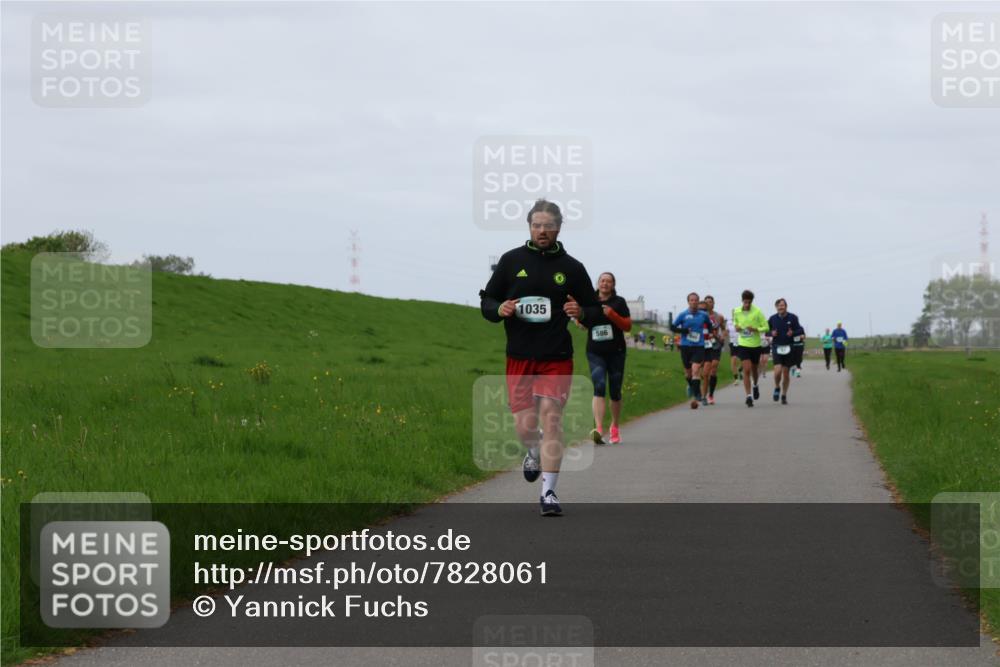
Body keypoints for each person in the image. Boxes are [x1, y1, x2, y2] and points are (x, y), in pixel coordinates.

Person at [479, 199, 600, 516]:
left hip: (556, 355)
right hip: (519, 356)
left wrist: (582, 311)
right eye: (536, 225)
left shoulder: (572, 268)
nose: (542, 230)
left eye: (548, 225)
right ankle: (533, 450)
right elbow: (488, 300)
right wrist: (499, 308)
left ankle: (549, 493)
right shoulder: (510, 261)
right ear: (529, 227)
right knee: (525, 426)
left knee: (551, 415)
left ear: (558, 228)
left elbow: (595, 310)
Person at [584, 272, 631, 445]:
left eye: (609, 281)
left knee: (615, 391)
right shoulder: (590, 300)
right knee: (599, 386)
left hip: (616, 351)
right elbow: (583, 322)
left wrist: (612, 314)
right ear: (598, 283)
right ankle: (599, 428)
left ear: (613, 284)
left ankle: (615, 426)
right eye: (602, 280)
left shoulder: (619, 302)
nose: (605, 283)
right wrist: (579, 319)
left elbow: (627, 326)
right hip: (595, 351)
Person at [669, 292, 715, 409]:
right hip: (685, 346)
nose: (694, 302)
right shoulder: (683, 315)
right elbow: (672, 327)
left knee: (695, 370)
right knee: (688, 374)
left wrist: (709, 334)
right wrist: (684, 331)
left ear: (698, 302)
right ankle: (692, 387)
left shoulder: (703, 315)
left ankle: (698, 394)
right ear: (688, 302)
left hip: (699, 346)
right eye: (691, 300)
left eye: (696, 300)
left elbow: (710, 325)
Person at [731, 289, 769, 407]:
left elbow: (766, 327)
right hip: (743, 344)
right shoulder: (736, 311)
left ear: (752, 301)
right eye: (745, 302)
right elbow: (735, 322)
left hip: (755, 345)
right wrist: (736, 327)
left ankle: (755, 385)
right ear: (742, 301)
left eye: (749, 302)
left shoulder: (757, 312)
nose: (747, 304)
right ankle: (748, 396)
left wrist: (756, 329)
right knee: (746, 369)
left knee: (754, 370)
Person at [768, 298, 802, 405]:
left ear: (786, 306)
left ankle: (784, 395)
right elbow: (766, 331)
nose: (780, 307)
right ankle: (777, 387)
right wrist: (771, 333)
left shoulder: (793, 317)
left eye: (782, 305)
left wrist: (793, 333)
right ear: (776, 307)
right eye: (778, 305)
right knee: (777, 371)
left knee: (786, 373)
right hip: (776, 346)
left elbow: (801, 330)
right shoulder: (772, 318)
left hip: (789, 347)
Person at [701, 295, 726, 405]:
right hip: (704, 344)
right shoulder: (700, 315)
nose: (708, 304)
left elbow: (724, 329)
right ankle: (703, 394)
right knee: (705, 373)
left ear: (713, 303)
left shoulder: (719, 317)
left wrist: (722, 337)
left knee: (714, 368)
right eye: (706, 302)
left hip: (716, 344)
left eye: (710, 302)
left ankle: (710, 395)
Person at [726, 315, 741, 384]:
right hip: (733, 342)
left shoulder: (741, 319)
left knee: (744, 360)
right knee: (733, 360)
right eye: (733, 313)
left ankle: (740, 370)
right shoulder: (728, 322)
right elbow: (726, 331)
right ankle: (736, 379)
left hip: (742, 342)